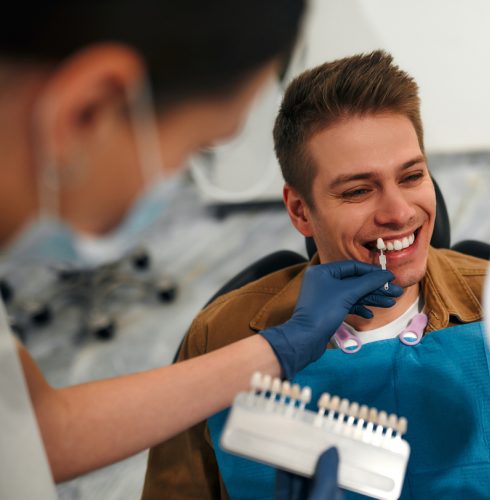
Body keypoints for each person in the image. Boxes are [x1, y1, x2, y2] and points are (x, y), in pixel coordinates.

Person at [144, 51, 490, 499]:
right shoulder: (223, 339)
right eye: (358, 190)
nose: (399, 212)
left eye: (412, 176)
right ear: (300, 210)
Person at [0, 3, 400, 498]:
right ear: (84, 114)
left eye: (412, 174)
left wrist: (279, 348)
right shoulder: (218, 327)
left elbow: (35, 432)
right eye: (195, 148)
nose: (397, 211)